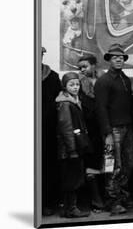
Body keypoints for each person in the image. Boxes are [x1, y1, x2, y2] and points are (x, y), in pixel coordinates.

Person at [94, 44, 133, 215]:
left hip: (127, 128)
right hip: (113, 130)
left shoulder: (125, 79)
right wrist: (107, 133)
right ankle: (112, 201)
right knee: (113, 166)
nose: (119, 59)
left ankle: (123, 196)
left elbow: (129, 105)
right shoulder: (104, 81)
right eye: (114, 57)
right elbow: (101, 108)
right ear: (109, 60)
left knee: (128, 165)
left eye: (121, 57)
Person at [55, 72, 91, 218]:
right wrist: (72, 150)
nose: (75, 87)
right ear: (65, 86)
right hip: (69, 149)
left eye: (77, 84)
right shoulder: (65, 103)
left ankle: (70, 207)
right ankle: (70, 209)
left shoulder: (75, 100)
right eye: (71, 84)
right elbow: (67, 128)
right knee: (71, 178)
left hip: (75, 147)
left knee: (74, 177)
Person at [77, 55, 105, 210]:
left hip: (104, 128)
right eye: (79, 67)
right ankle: (96, 198)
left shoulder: (103, 81)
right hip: (89, 130)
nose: (82, 69)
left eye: (85, 66)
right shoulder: (78, 85)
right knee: (91, 163)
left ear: (94, 66)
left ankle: (107, 195)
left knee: (107, 162)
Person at [41, 47, 62, 216]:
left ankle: (46, 202)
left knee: (47, 165)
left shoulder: (53, 76)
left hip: (48, 129)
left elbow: (58, 103)